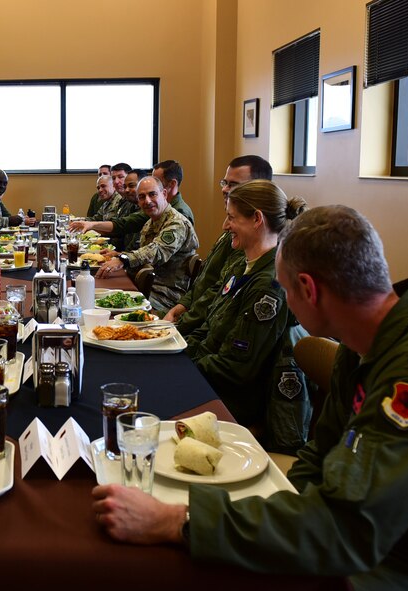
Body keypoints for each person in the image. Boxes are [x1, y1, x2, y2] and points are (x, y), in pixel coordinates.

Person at [92, 205, 408, 590]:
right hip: (365, 539)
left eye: (284, 289)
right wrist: (282, 506)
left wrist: (176, 521)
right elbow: (319, 454)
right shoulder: (364, 340)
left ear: (308, 290)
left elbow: (348, 528)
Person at [184, 180, 308, 442]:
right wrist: (179, 354)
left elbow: (237, 368)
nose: (225, 226)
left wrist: (185, 367)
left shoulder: (269, 284)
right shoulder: (243, 265)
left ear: (257, 219)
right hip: (209, 378)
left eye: (231, 217)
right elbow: (208, 327)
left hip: (235, 401)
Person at [163, 155, 273, 334]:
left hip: (204, 326)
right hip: (195, 318)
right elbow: (205, 280)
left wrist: (181, 325)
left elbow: (219, 292)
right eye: (225, 182)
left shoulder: (252, 238)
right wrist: (182, 306)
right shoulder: (236, 226)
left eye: (233, 185)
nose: (224, 189)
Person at [95, 176, 198, 313]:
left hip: (167, 295)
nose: (147, 201)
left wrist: (123, 259)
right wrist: (119, 255)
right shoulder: (151, 222)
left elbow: (156, 252)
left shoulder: (176, 223)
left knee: (112, 306)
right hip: (149, 285)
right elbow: (144, 251)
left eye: (152, 194)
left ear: (164, 194)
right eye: (142, 197)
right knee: (103, 295)